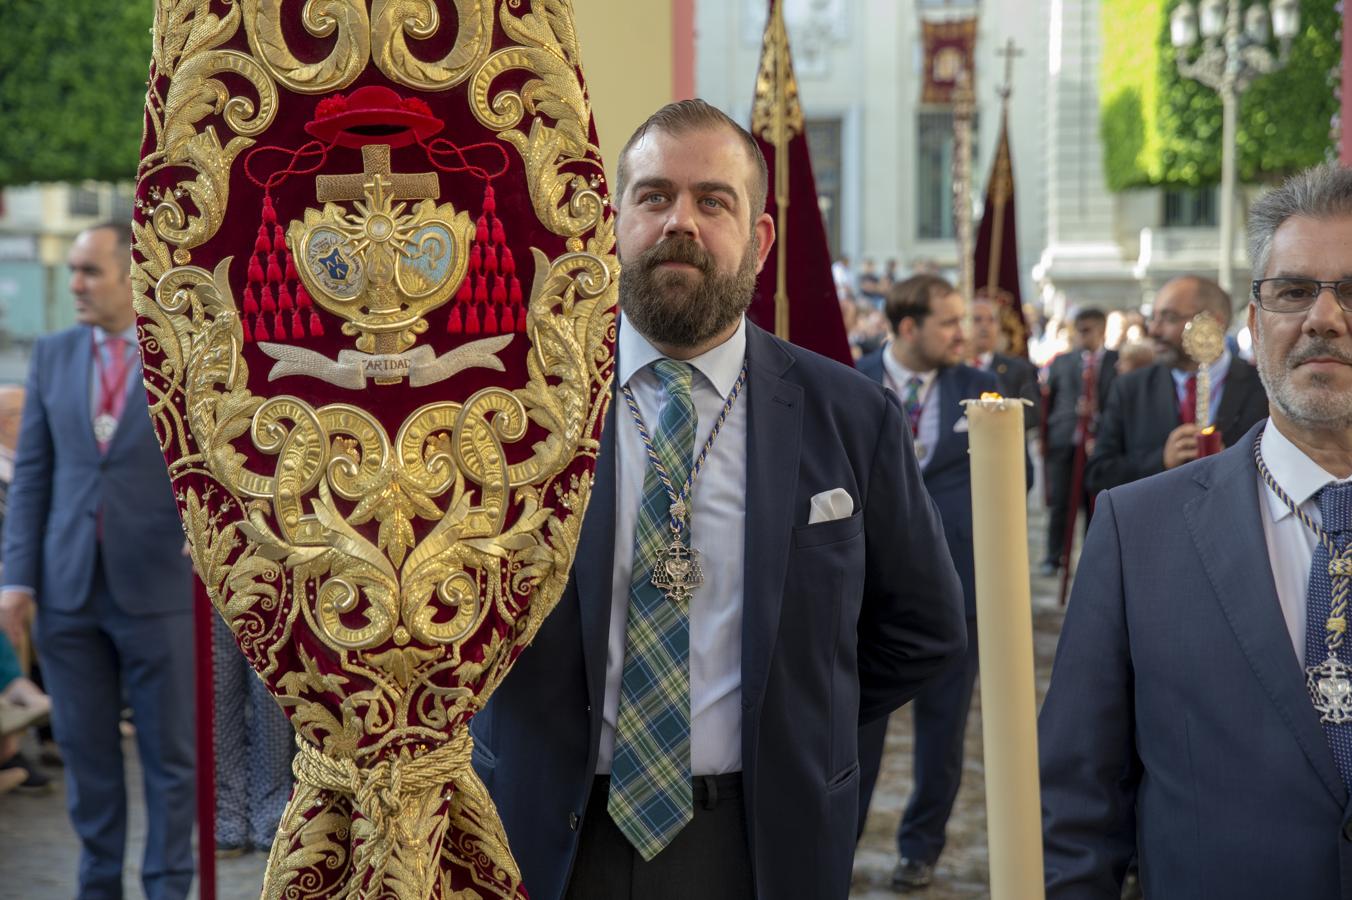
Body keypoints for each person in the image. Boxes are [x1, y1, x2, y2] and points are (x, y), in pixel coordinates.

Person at [473, 99, 967, 900]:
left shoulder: (849, 415)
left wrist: (798, 724)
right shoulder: (516, 408)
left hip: (762, 841)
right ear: (614, 222)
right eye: (654, 196)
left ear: (759, 239)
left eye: (713, 201)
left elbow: (923, 631)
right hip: (547, 834)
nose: (682, 223)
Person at [1039, 162, 1352, 897]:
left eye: (1351, 291)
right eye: (1293, 291)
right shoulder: (1137, 533)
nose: (1325, 317)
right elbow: (1077, 810)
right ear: (1252, 322)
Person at [0, 223, 197, 899]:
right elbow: (33, 477)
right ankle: (98, 887)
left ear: (130, 277)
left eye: (89, 271)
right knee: (87, 756)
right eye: (75, 271)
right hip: (66, 592)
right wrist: (17, 580)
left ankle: (169, 887)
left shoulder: (180, 355)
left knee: (171, 757)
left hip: (162, 588)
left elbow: (208, 470)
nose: (76, 284)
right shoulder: (53, 354)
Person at [853, 275, 999, 891]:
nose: (961, 334)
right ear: (908, 327)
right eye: (948, 322)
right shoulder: (847, 378)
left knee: (944, 733)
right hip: (857, 595)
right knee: (852, 729)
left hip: (953, 589)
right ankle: (838, 839)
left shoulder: (982, 390)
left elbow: (1008, 481)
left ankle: (922, 849)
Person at [1086, 275, 1268, 496]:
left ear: (1212, 322)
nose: (1153, 330)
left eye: (1169, 318)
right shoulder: (1130, 390)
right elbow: (1098, 474)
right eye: (1153, 318)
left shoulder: (1262, 388)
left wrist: (1235, 466)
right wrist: (1161, 460)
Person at [1040, 307, 1117, 575]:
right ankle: (1054, 556)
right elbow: (1050, 403)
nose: (1082, 336)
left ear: (1101, 330)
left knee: (1095, 502)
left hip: (1100, 443)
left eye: (1088, 330)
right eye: (1079, 330)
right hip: (1067, 441)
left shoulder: (1116, 362)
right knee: (1060, 501)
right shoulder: (1062, 362)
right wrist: (1047, 437)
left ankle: (1091, 557)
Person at [968, 294, 1042, 432]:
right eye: (977, 319)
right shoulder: (953, 370)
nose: (985, 325)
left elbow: (1032, 414)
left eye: (992, 320)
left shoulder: (1019, 368)